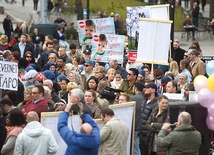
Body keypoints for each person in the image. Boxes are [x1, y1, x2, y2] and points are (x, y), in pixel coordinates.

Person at [139, 82, 158, 155]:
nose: (145, 89)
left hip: (149, 136)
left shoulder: (156, 103)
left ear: (153, 90)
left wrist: (149, 133)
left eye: (147, 88)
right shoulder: (144, 101)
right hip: (142, 134)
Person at [130, 82, 145, 155]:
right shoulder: (145, 98)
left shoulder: (132, 98)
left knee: (135, 148)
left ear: (135, 88)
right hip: (143, 126)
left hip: (134, 126)